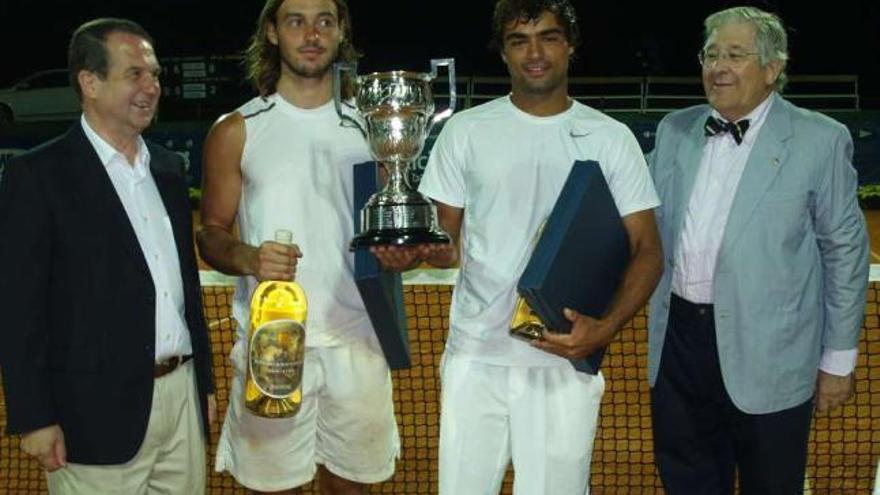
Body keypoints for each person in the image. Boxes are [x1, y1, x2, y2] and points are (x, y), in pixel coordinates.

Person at [374, 1, 663, 493]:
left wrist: (604, 329)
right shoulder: (466, 131)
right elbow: (447, 242)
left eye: (549, 37)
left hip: (563, 360)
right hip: (475, 358)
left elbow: (649, 250)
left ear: (570, 45)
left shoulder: (611, 139)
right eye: (518, 40)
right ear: (503, 53)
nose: (535, 53)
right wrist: (413, 250)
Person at [647, 6, 869, 494]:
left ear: (773, 68)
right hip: (679, 344)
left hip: (773, 352)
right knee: (687, 482)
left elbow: (845, 250)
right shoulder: (673, 130)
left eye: (735, 54)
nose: (718, 66)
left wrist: (838, 360)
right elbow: (632, 217)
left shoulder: (821, 139)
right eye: (710, 54)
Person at [0, 17, 215, 494]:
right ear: (90, 82)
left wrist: (203, 385)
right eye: (134, 74)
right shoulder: (37, 177)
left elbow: (186, 288)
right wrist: (34, 418)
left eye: (155, 74)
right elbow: (19, 310)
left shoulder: (168, 169)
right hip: (90, 414)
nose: (151, 87)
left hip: (179, 401)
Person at [196, 0, 399, 493]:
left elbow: (387, 228)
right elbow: (211, 232)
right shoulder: (236, 129)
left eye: (324, 21)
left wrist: (398, 251)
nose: (311, 34)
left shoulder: (374, 130)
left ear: (340, 32)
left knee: (349, 487)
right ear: (271, 33)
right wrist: (248, 257)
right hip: (273, 345)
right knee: (273, 489)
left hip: (359, 341)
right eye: (295, 21)